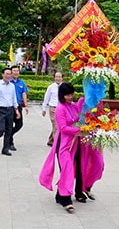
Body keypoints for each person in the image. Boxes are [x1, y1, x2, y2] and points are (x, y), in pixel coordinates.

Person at [39, 82, 84, 213]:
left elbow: (80, 111)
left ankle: (60, 194)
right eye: (68, 95)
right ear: (62, 95)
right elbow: (63, 128)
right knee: (67, 169)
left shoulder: (73, 106)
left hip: (74, 143)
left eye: (72, 94)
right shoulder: (60, 108)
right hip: (63, 144)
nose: (70, 97)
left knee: (69, 169)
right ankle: (66, 199)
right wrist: (79, 130)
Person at [0, 67, 21, 156]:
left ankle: (5, 149)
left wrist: (16, 110)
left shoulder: (12, 86)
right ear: (2, 75)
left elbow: (14, 98)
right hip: (1, 110)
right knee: (1, 129)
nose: (8, 76)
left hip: (10, 110)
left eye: (9, 74)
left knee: (9, 130)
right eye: (6, 74)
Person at [9, 65, 29, 151]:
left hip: (18, 106)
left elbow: (24, 94)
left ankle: (9, 135)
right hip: (9, 107)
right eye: (14, 71)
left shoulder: (21, 83)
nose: (16, 72)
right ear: (11, 72)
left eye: (17, 71)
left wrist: (26, 105)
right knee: (9, 125)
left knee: (19, 124)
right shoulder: (8, 82)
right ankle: (10, 143)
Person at [42, 71, 63, 146]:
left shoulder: (64, 87)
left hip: (62, 109)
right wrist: (44, 108)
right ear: (54, 78)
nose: (58, 78)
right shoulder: (51, 87)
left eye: (59, 77)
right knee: (56, 125)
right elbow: (46, 98)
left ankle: (50, 140)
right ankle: (56, 143)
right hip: (53, 108)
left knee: (58, 125)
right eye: (56, 77)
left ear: (62, 78)